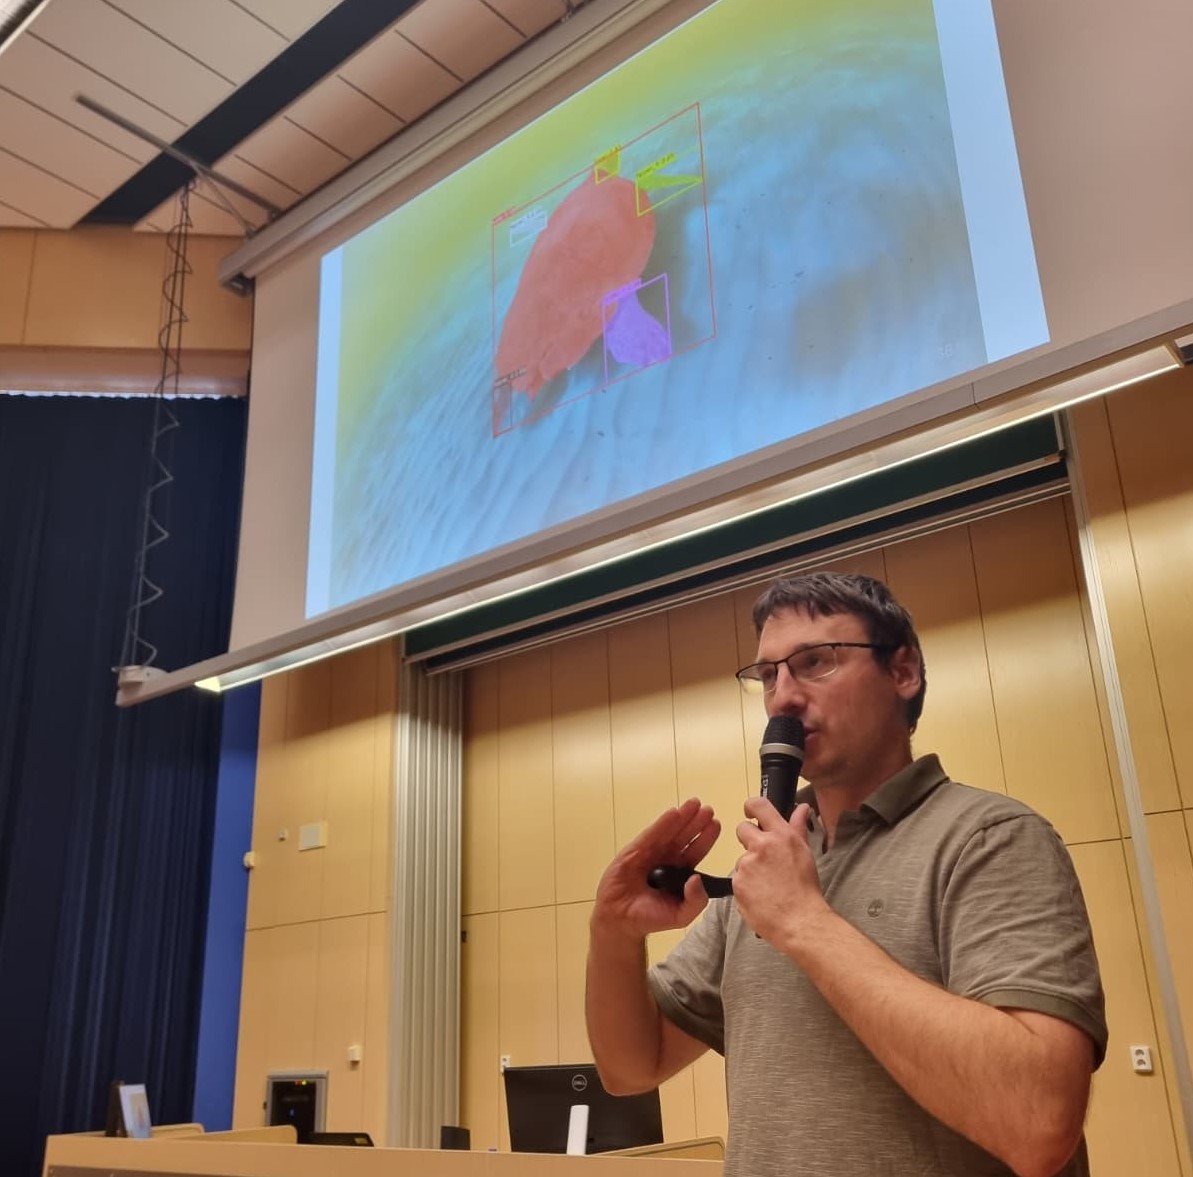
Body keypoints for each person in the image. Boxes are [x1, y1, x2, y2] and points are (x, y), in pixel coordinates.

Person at [586, 572, 1106, 1177]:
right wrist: (613, 933)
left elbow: (1038, 1122)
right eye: (768, 675)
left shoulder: (989, 838)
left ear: (902, 672)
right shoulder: (767, 869)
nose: (782, 698)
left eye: (815, 662)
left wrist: (804, 923)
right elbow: (631, 1067)